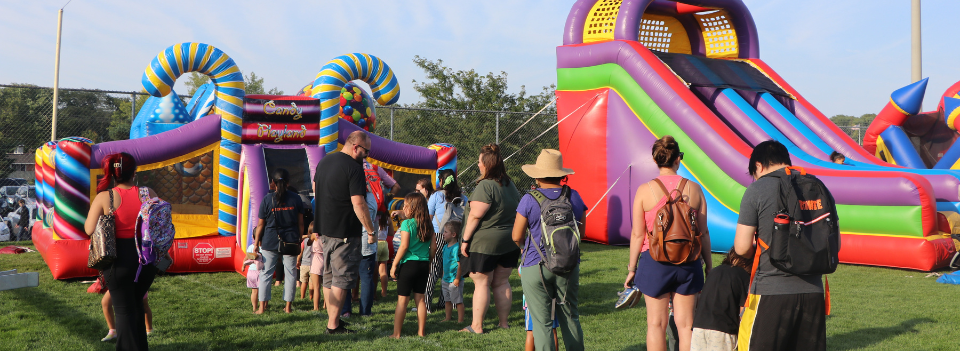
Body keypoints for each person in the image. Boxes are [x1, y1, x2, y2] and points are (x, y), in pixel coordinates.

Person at [735, 140, 827, 351]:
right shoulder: (816, 185)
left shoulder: (757, 189)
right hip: (813, 291)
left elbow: (741, 247)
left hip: (771, 290)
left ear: (758, 166)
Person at [624, 136, 712, 351]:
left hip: (654, 261)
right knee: (686, 325)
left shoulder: (645, 190)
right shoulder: (695, 189)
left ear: (656, 160)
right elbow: (703, 232)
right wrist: (708, 266)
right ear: (678, 160)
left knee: (656, 324)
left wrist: (632, 268)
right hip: (688, 262)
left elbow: (637, 234)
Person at [512, 148, 586, 351]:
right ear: (562, 175)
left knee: (542, 324)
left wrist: (522, 247)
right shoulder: (574, 196)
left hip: (535, 266)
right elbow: (582, 232)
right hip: (568, 264)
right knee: (570, 318)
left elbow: (516, 236)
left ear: (537, 175)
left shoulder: (529, 199)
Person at [84, 152, 159, 351]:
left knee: (124, 313)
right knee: (135, 308)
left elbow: (89, 229)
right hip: (146, 259)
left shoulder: (105, 197)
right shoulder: (148, 193)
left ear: (113, 173)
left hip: (118, 258)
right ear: (134, 172)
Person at [313, 130, 377, 334]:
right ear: (355, 146)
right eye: (365, 151)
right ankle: (333, 325)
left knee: (329, 277)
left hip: (325, 229)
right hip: (345, 231)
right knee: (342, 279)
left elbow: (316, 188)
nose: (366, 155)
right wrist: (370, 229)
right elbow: (358, 202)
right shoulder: (354, 168)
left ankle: (333, 321)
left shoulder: (325, 161)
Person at [460, 144, 521, 334]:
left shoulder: (485, 185)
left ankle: (476, 326)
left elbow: (475, 215)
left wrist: (465, 240)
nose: (478, 165)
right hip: (509, 241)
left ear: (486, 164)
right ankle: (504, 323)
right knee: (502, 282)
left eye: (479, 162)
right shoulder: (510, 185)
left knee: (482, 282)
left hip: (485, 243)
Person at [253, 168, 305, 314]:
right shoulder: (296, 198)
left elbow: (261, 224)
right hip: (290, 241)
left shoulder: (267, 199)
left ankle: (262, 308)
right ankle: (288, 307)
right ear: (288, 182)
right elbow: (301, 223)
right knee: (290, 274)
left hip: (270, 241)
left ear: (273, 183)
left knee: (266, 274)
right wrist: (299, 237)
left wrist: (256, 244)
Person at [389, 192, 436, 338]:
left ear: (413, 208)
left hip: (408, 264)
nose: (404, 208)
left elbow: (403, 247)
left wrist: (393, 265)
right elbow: (433, 247)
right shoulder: (428, 224)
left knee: (402, 300)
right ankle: (421, 332)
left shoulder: (407, 224)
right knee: (420, 299)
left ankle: (396, 334)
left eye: (406, 205)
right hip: (423, 264)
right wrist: (428, 260)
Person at [691, 248, 752, 351]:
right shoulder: (744, 277)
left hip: (699, 327)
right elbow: (743, 311)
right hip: (724, 330)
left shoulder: (714, 271)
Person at [428, 169, 468, 233]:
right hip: (457, 234)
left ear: (441, 180)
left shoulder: (436, 195)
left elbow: (429, 217)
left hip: (438, 234)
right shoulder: (464, 198)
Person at [440, 220, 465, 322]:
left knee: (458, 301)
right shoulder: (445, 247)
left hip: (454, 280)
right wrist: (443, 275)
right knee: (447, 300)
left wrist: (457, 278)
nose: (443, 234)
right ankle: (448, 317)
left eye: (446, 232)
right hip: (446, 279)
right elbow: (444, 263)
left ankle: (460, 320)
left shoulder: (457, 248)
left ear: (454, 234)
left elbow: (460, 265)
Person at [243, 244, 265, 313]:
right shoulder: (264, 247)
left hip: (250, 271)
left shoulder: (250, 247)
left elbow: (246, 257)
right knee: (264, 290)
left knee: (254, 291)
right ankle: (264, 306)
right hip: (259, 272)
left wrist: (243, 266)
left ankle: (254, 308)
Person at [309, 222, 325, 311]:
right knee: (325, 285)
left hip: (316, 259)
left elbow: (308, 243)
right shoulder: (325, 235)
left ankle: (316, 307)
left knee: (316, 287)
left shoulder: (314, 235)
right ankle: (325, 305)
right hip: (325, 259)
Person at [377, 213, 392, 297]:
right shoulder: (387, 218)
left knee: (373, 271)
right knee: (383, 271)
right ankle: (384, 293)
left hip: (375, 244)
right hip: (384, 244)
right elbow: (391, 232)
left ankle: (373, 292)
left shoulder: (373, 215)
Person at [298, 234, 314, 300]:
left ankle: (302, 297)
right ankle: (311, 297)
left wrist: (298, 261)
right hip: (313, 264)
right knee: (311, 283)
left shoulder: (304, 241)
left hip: (304, 264)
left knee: (303, 282)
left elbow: (300, 252)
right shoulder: (316, 240)